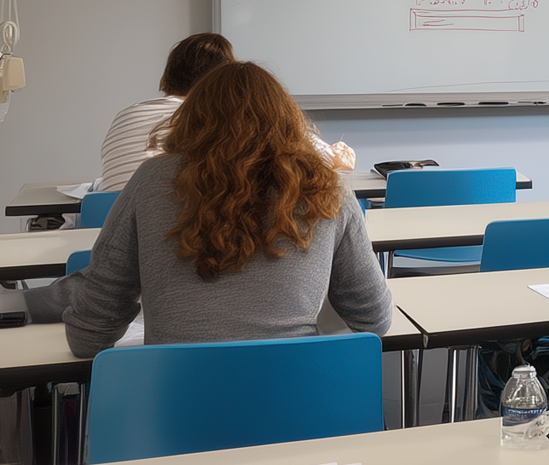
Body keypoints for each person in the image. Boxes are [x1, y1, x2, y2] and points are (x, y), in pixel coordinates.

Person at [29, 61, 391, 357]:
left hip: (173, 410)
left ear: (191, 118)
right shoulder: (328, 188)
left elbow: (88, 337)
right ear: (288, 121)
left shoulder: (150, 181)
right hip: (298, 407)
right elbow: (374, 319)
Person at [96, 33, 236, 192]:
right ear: (221, 81)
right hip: (161, 205)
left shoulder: (126, 114)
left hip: (107, 207)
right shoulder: (205, 116)